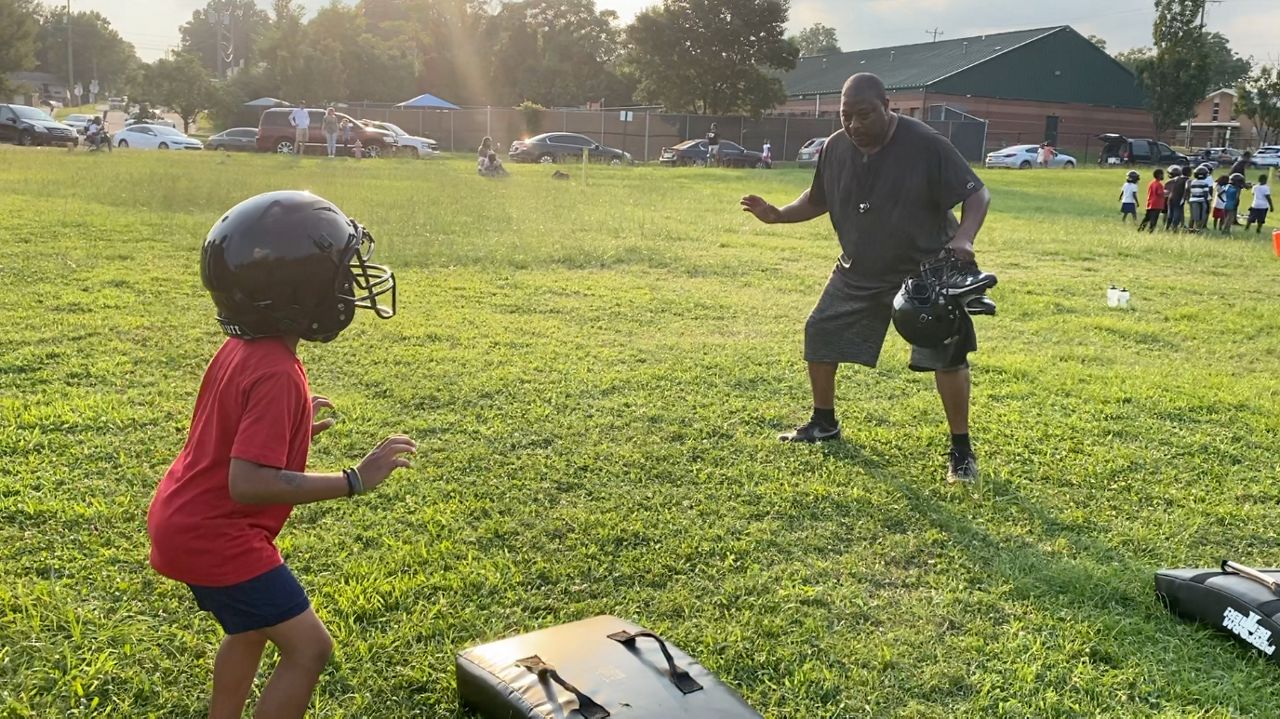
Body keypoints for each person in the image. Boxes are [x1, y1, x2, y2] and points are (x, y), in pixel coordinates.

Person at [146, 191, 414, 719]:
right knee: (310, 648)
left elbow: (230, 432)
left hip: (184, 520)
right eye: (339, 274)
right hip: (217, 537)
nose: (349, 284)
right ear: (298, 292)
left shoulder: (244, 348)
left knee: (249, 629)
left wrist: (291, 427)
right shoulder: (277, 372)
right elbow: (248, 482)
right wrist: (355, 479)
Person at [739, 72, 993, 484]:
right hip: (860, 267)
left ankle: (961, 451)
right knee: (820, 330)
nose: (854, 125)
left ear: (887, 106)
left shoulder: (925, 143)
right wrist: (778, 214)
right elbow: (817, 198)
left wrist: (963, 238)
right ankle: (824, 423)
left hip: (924, 273)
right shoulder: (836, 146)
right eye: (846, 116)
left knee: (947, 354)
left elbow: (977, 194)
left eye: (864, 114)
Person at [1138, 168, 1166, 232]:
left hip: (1150, 203)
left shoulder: (1151, 183)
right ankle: (1150, 231)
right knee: (1154, 219)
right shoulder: (1159, 184)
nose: (1163, 176)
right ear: (1159, 175)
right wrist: (1166, 193)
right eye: (1162, 174)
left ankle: (1140, 229)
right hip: (1157, 204)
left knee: (1147, 218)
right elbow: (1159, 193)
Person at [1186, 165, 1213, 232]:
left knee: (1192, 216)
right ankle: (1198, 230)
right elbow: (1206, 194)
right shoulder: (1205, 184)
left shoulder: (1192, 182)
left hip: (1192, 200)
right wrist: (1207, 204)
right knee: (1200, 216)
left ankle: (1190, 229)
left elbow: (1188, 190)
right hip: (1200, 201)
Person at [1164, 165, 1188, 232]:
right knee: (1177, 213)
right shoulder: (1184, 179)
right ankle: (1175, 227)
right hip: (1178, 199)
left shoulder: (1170, 181)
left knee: (1170, 214)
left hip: (1170, 198)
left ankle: (1167, 227)